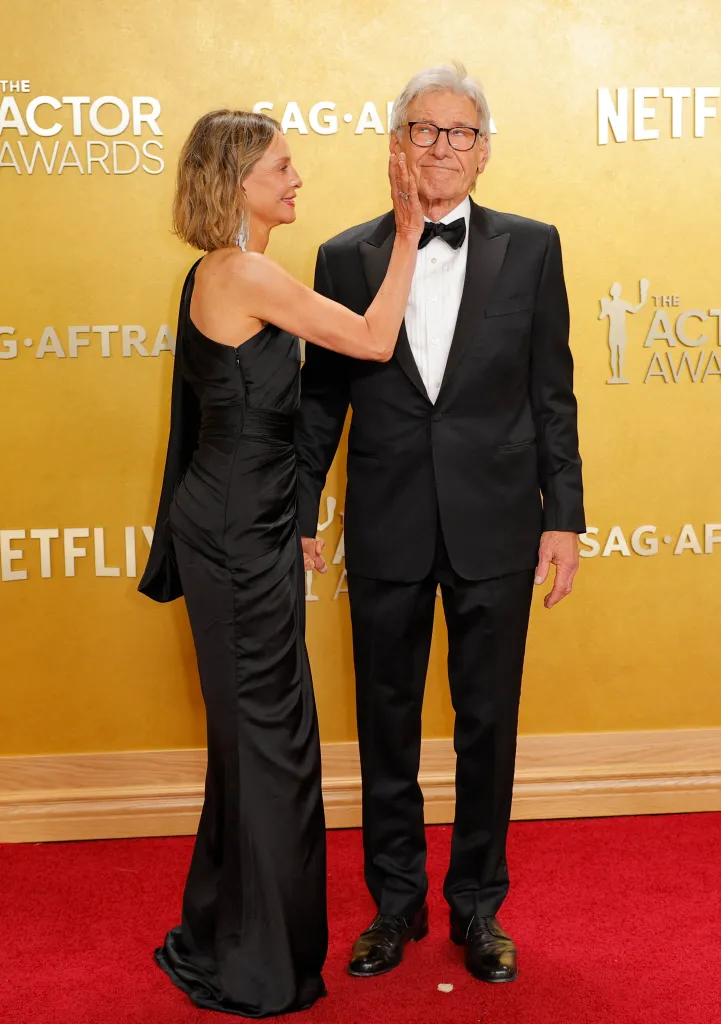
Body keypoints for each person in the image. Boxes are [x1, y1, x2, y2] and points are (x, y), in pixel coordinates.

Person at [295, 63, 585, 985]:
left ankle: (477, 908)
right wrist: (300, 506)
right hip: (385, 523)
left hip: (497, 523)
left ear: (484, 149)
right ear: (397, 145)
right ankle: (394, 906)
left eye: (461, 133)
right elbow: (320, 400)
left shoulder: (533, 247)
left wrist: (564, 515)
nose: (443, 148)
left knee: (485, 725)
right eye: (425, 130)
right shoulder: (343, 256)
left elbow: (552, 394)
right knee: (384, 722)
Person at [138, 108, 423, 1017]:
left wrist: (285, 515)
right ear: (236, 183)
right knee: (270, 749)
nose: (298, 180)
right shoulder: (245, 273)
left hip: (243, 526)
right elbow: (375, 340)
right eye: (282, 168)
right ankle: (254, 963)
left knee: (256, 742)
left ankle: (229, 932)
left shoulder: (230, 271)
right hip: (229, 536)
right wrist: (409, 233)